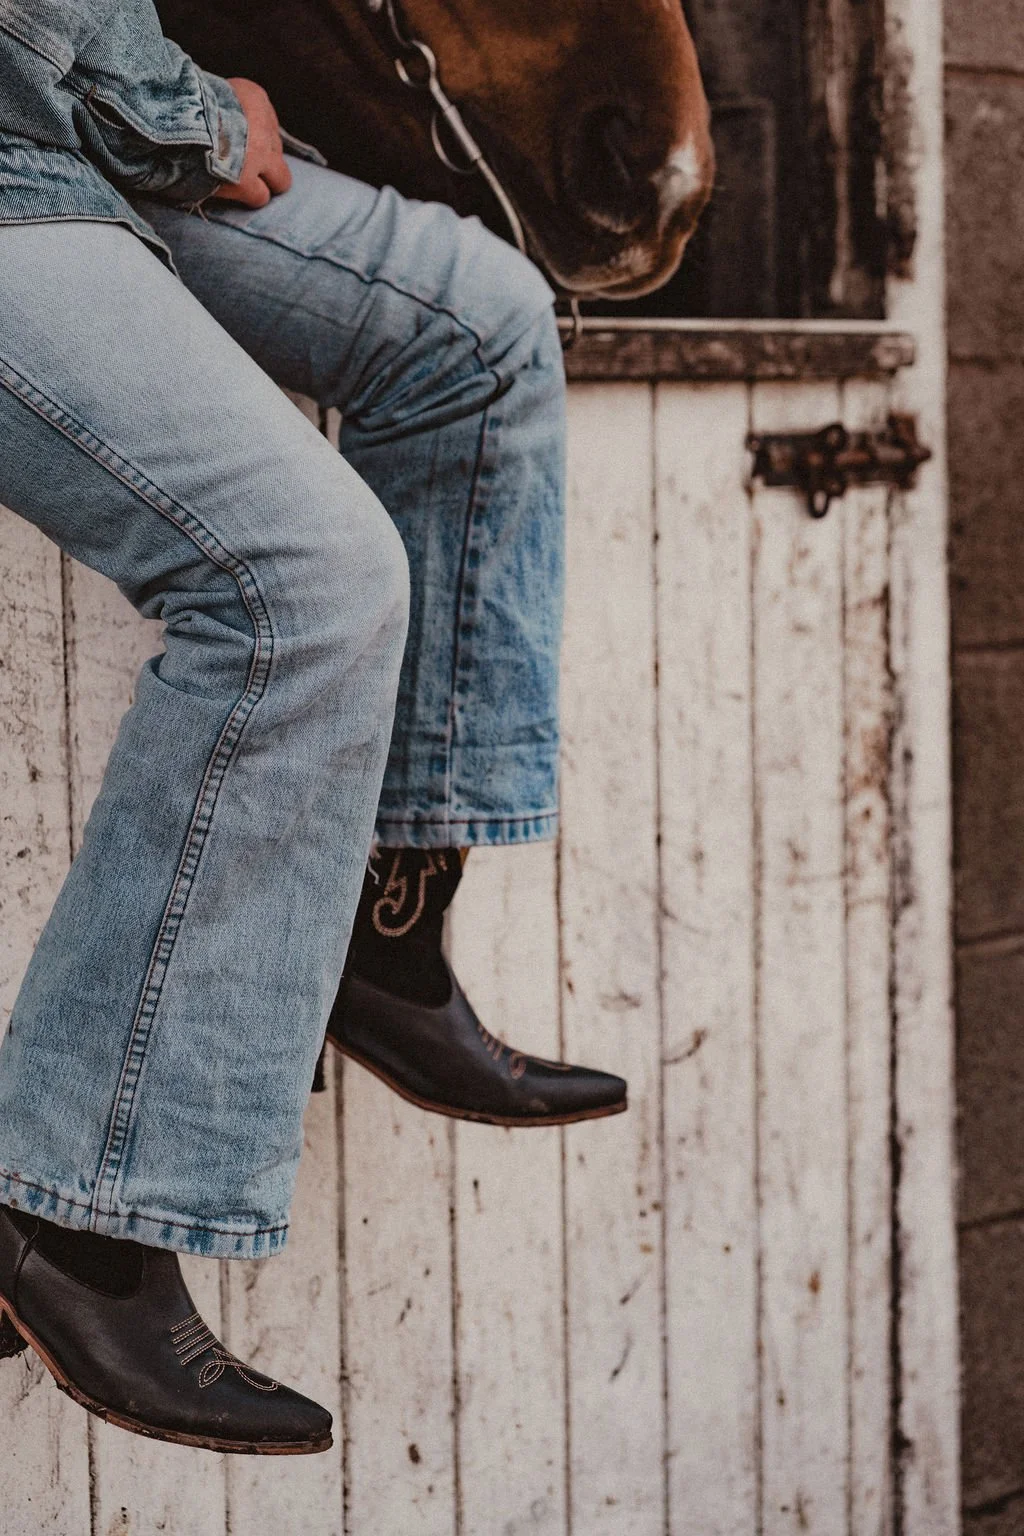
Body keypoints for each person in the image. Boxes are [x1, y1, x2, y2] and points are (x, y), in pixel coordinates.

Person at [0, 0, 626, 1452]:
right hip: (39, 123)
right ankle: (71, 1216)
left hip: (64, 128)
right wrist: (193, 117)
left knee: (482, 328)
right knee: (306, 581)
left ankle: (385, 929)